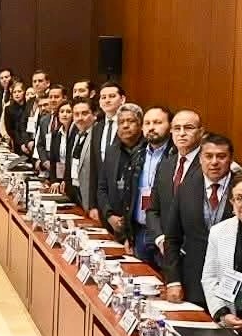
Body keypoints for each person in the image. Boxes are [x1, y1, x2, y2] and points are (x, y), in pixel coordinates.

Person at [163, 133, 236, 307]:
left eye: (221, 156)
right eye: (209, 156)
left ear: (231, 159)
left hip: (232, 285)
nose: (214, 162)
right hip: (193, 282)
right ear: (200, 159)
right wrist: (173, 280)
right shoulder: (185, 188)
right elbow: (172, 238)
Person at [201, 172, 242, 335]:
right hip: (229, 320)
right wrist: (223, 314)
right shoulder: (218, 231)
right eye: (239, 198)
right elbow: (209, 278)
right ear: (232, 202)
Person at [148, 108, 202, 259]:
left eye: (188, 128)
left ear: (201, 132)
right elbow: (152, 210)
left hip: (195, 253)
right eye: (177, 128)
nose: (182, 133)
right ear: (171, 132)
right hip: (165, 251)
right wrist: (160, 239)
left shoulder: (208, 165)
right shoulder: (165, 164)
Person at [122, 106, 174, 263]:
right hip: (140, 230)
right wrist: (128, 234)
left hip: (164, 235)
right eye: (147, 123)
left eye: (157, 122)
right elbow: (129, 195)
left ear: (170, 126)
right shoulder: (138, 153)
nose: (151, 127)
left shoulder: (175, 155)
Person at [98, 103, 143, 233]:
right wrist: (109, 216)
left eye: (130, 121)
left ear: (140, 124)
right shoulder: (112, 151)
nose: (125, 125)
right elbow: (102, 188)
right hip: (113, 224)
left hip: (138, 227)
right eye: (121, 122)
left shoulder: (147, 151)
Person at [67, 98, 101, 211]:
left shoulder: (98, 136)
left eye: (84, 113)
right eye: (76, 114)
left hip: (91, 198)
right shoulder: (77, 134)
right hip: (76, 190)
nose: (80, 118)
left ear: (94, 114)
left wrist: (94, 205)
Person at [42, 102, 78, 186]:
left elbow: (72, 161)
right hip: (59, 177)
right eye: (62, 112)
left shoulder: (76, 133)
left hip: (72, 178)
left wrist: (66, 180)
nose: (64, 114)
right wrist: (54, 181)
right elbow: (53, 160)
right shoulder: (56, 134)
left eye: (68, 112)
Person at [0, 80, 29, 149]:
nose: (17, 94)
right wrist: (21, 143)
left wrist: (27, 142)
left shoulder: (29, 107)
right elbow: (10, 129)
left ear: (24, 92)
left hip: (29, 141)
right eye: (14, 92)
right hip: (16, 143)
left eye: (19, 91)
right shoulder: (8, 109)